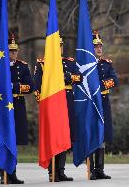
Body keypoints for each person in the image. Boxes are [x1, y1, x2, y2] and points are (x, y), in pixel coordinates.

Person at [0, 35, 34, 184]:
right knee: (1, 140)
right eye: (10, 51)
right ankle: (3, 174)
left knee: (13, 140)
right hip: (0, 109)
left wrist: (14, 87)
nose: (13, 54)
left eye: (15, 51)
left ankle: (12, 173)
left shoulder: (23, 66)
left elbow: (31, 86)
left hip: (16, 107)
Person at [33, 37, 82, 182]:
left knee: (65, 136)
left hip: (67, 103)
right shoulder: (43, 64)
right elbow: (37, 88)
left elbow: (79, 77)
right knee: (53, 137)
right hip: (52, 106)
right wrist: (44, 105)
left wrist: (66, 77)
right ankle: (52, 171)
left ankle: (61, 171)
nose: (59, 48)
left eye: (60, 46)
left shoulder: (69, 62)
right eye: (56, 46)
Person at [88, 31, 119, 180]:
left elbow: (114, 80)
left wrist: (98, 85)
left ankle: (100, 169)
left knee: (102, 136)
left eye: (100, 46)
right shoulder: (85, 64)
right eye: (96, 47)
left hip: (103, 103)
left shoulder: (106, 64)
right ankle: (92, 170)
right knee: (92, 135)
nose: (99, 49)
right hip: (90, 104)